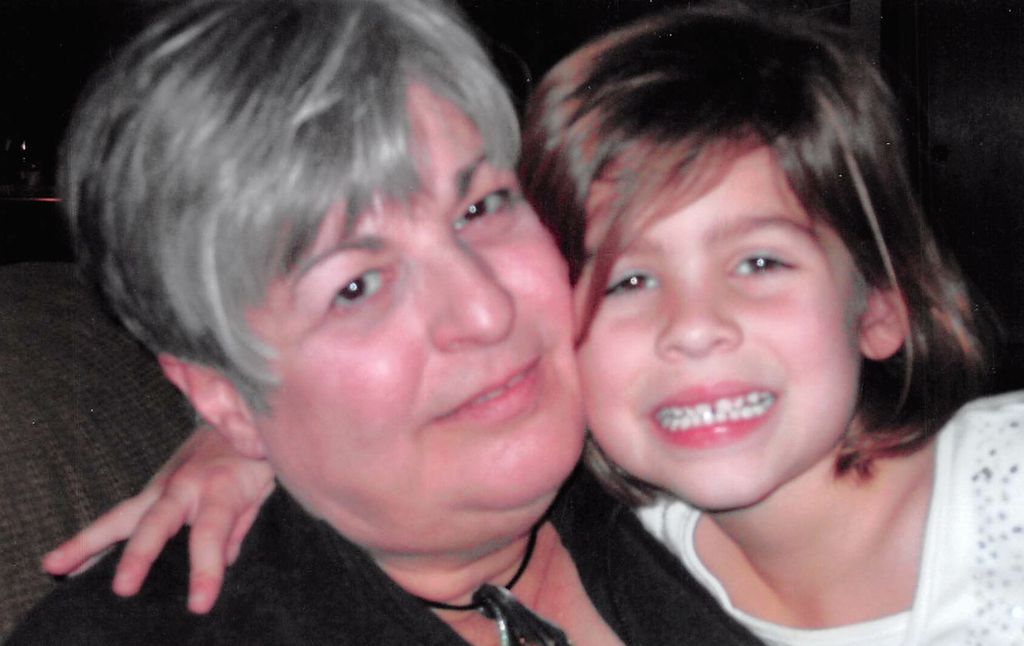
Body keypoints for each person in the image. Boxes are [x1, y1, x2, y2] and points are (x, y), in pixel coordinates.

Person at [40, 4, 1024, 645]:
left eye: (480, 208)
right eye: (356, 285)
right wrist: (247, 432)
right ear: (218, 387)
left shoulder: (663, 481)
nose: (485, 310)